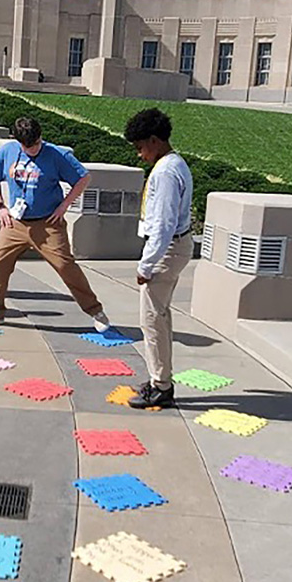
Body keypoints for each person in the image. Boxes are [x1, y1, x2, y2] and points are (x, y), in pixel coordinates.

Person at [0, 117, 110, 332]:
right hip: (15, 222)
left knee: (65, 265)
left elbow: (83, 178)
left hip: (48, 223)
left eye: (36, 143)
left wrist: (64, 206)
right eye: (28, 146)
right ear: (18, 142)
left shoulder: (57, 154)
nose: (33, 149)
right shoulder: (8, 151)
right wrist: (0, 205)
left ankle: (96, 311)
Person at [123, 108, 193, 410]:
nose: (140, 154)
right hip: (177, 245)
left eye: (141, 147)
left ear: (154, 140)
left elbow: (163, 225)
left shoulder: (164, 172)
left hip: (167, 250)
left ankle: (161, 386)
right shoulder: (175, 163)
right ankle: (159, 379)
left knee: (151, 320)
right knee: (160, 316)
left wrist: (146, 265)